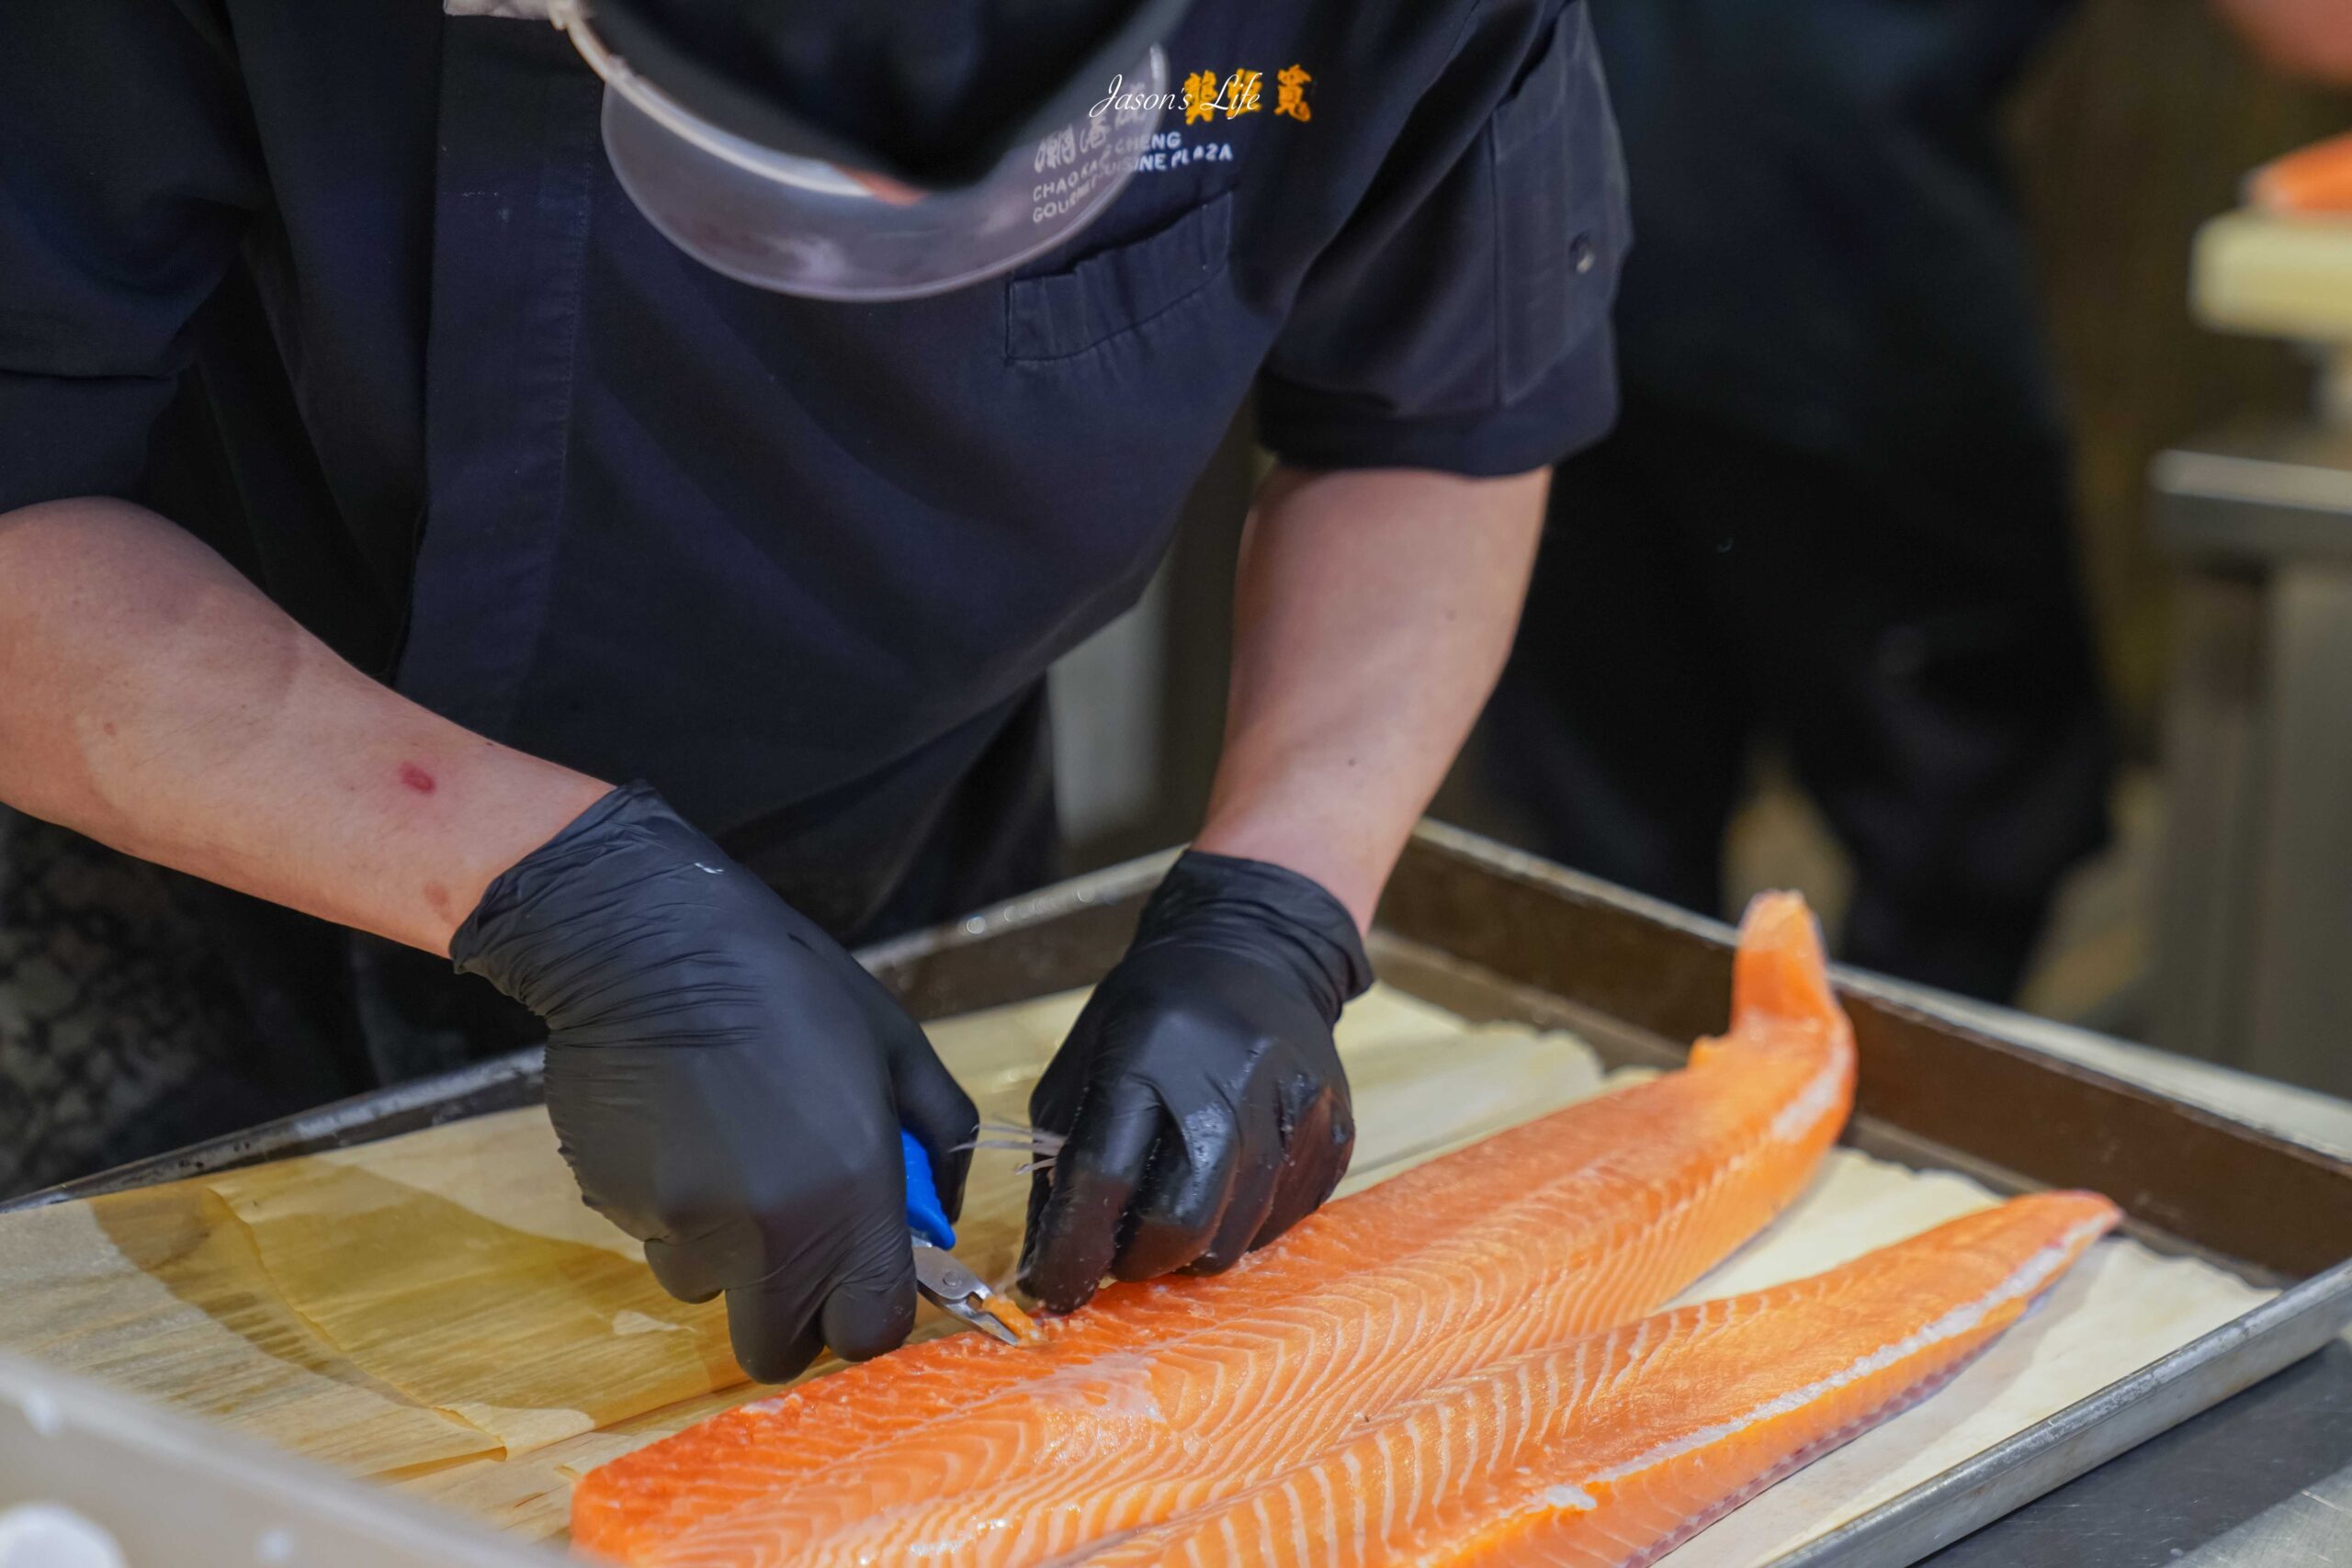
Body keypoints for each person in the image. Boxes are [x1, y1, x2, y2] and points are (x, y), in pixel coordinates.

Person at [0, 0, 1627, 1379]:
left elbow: (1435, 413)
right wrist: (562, 888)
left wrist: (1280, 901)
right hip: (163, 858)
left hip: (905, 866)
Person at [1480, 0, 2114, 1003]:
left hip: (1541, 218)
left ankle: (1639, 1127)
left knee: (1605, 829)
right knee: (1967, 834)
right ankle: (1857, 1129)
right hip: (1838, 257)